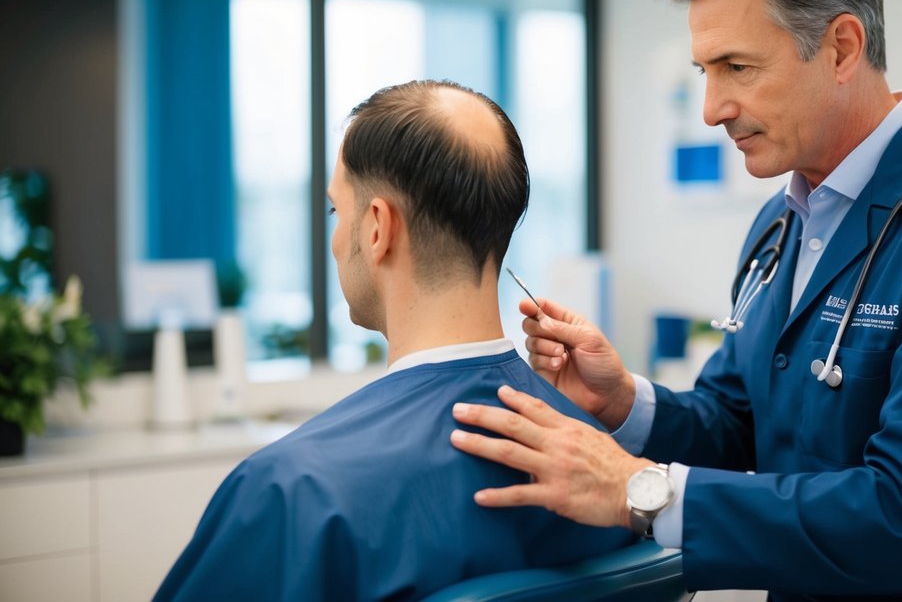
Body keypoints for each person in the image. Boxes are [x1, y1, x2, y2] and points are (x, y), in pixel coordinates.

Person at [449, 0, 902, 601]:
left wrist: (635, 491)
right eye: (704, 70)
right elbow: (740, 427)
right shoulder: (779, 224)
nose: (711, 108)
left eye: (737, 67)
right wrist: (623, 404)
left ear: (842, 48)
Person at [154, 80, 633, 602]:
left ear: (378, 228)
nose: (336, 240)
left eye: (338, 211)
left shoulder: (292, 491)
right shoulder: (607, 468)